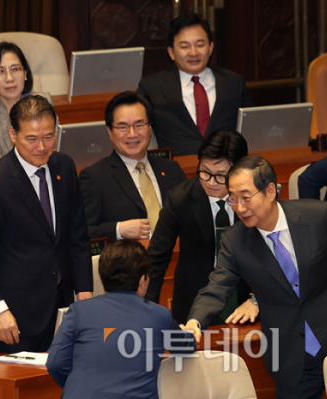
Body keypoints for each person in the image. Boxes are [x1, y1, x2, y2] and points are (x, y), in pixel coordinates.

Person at [185, 155, 327, 399]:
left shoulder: (319, 216)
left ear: (270, 191)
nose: (239, 207)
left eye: (246, 197)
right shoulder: (235, 240)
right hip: (292, 356)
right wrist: (194, 322)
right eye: (233, 199)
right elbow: (217, 285)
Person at [0, 95, 92, 353]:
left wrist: (85, 292)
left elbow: (77, 235)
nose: (42, 147)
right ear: (13, 134)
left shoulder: (64, 166)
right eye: (31, 139)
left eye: (48, 137)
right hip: (17, 314)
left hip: (63, 305)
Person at [46, 239, 196, 399]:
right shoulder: (159, 315)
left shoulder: (79, 311)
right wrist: (189, 331)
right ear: (142, 280)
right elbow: (186, 346)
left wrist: (76, 385)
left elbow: (55, 362)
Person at [146, 130, 257, 325]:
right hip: (194, 302)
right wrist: (145, 312)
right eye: (205, 172)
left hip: (246, 301)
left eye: (221, 176)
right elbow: (156, 258)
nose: (211, 183)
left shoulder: (255, 198)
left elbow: (275, 253)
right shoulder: (181, 199)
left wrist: (256, 298)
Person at [137, 13, 253, 156]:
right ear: (171, 52)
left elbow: (251, 126)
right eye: (185, 46)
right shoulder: (152, 87)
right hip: (177, 171)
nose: (193, 53)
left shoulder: (233, 83)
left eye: (200, 45)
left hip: (226, 167)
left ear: (210, 48)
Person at [79, 91, 186, 242]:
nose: (132, 134)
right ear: (109, 131)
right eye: (123, 127)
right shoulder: (95, 177)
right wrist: (118, 230)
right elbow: (82, 231)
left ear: (150, 128)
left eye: (139, 125)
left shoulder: (171, 169)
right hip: (129, 262)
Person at [0, 42, 54, 166]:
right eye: (0, 71)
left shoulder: (42, 101)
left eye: (15, 69)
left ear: (25, 73)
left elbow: (53, 147)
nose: (9, 78)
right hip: (3, 181)